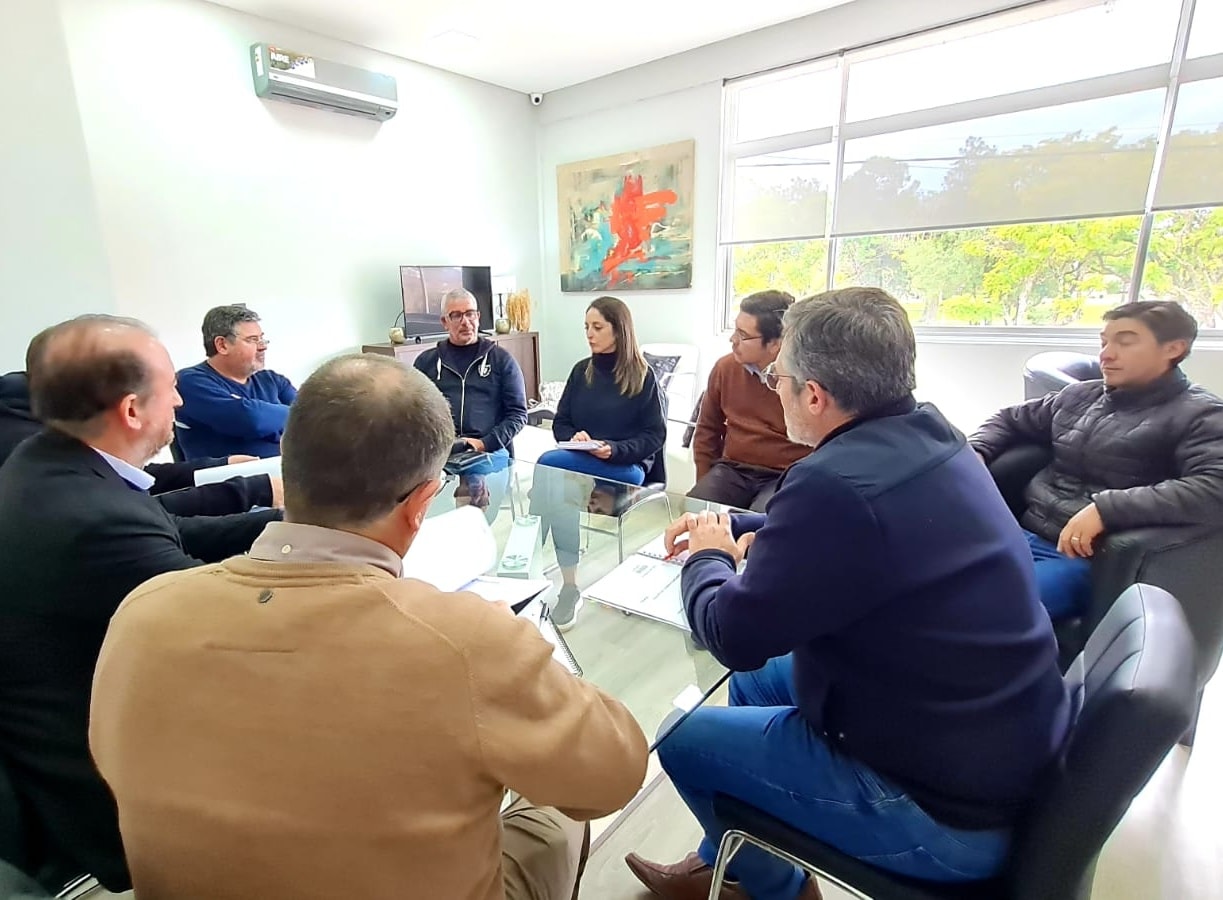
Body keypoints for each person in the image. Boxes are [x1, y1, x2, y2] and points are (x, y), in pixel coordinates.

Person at [89, 354, 649, 900]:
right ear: (422, 503)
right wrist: (521, 651)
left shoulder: (142, 613)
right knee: (553, 808)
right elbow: (615, 773)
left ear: (288, 470)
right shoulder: (470, 641)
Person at [625, 288, 1070, 900]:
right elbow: (860, 531)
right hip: (984, 747)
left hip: (939, 813)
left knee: (680, 735)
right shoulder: (933, 432)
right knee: (756, 685)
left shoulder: (832, 484)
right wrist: (737, 526)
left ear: (814, 395)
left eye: (778, 379)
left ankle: (778, 890)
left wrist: (708, 555)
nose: (773, 388)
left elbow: (731, 635)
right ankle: (739, 852)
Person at [0, 315, 280, 891]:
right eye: (170, 387)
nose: (179, 400)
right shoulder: (90, 517)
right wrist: (341, 558)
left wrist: (284, 522)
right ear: (132, 410)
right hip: (94, 787)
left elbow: (167, 529)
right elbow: (239, 617)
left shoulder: (51, 462)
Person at [971, 300, 1223, 621]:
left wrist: (1107, 509)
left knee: (981, 610)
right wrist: (977, 451)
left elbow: (1214, 487)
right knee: (919, 574)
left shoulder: (1201, 414)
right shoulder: (1080, 396)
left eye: (1125, 342)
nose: (1106, 354)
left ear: (1174, 348)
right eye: (1104, 342)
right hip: (1016, 533)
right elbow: (1009, 419)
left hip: (1085, 559)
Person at [531, 296, 666, 629]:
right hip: (581, 462)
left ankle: (527, 558)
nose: (589, 334)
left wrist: (613, 449)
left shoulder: (643, 376)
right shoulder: (582, 372)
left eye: (597, 327)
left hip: (627, 468)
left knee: (548, 464)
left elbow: (654, 436)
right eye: (586, 327)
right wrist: (575, 437)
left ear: (618, 330)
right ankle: (570, 587)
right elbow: (561, 422)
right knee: (559, 491)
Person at [1, 359, 277, 516]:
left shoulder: (55, 439)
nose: (178, 401)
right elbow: (134, 516)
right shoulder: (27, 442)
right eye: (169, 388)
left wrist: (218, 467)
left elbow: (133, 478)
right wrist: (249, 492)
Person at [414, 288, 528, 522]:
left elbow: (518, 415)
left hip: (487, 449)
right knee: (415, 494)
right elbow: (414, 413)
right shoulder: (426, 363)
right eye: (456, 315)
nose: (465, 321)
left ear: (478, 317)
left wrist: (484, 443)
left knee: (474, 494)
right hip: (441, 450)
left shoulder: (501, 360)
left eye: (470, 314)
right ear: (444, 322)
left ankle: (473, 537)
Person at [690, 290, 810, 511]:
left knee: (759, 522)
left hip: (785, 474)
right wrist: (704, 486)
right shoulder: (725, 368)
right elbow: (707, 430)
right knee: (694, 512)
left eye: (743, 335)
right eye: (735, 330)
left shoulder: (803, 379)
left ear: (775, 343)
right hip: (733, 470)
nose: (733, 340)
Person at [175, 304, 297, 459]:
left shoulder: (272, 380)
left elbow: (312, 415)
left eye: (262, 338)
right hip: (232, 474)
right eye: (253, 340)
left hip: (286, 469)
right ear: (222, 345)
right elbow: (251, 420)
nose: (262, 347)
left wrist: (273, 419)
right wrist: (285, 423)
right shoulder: (190, 382)